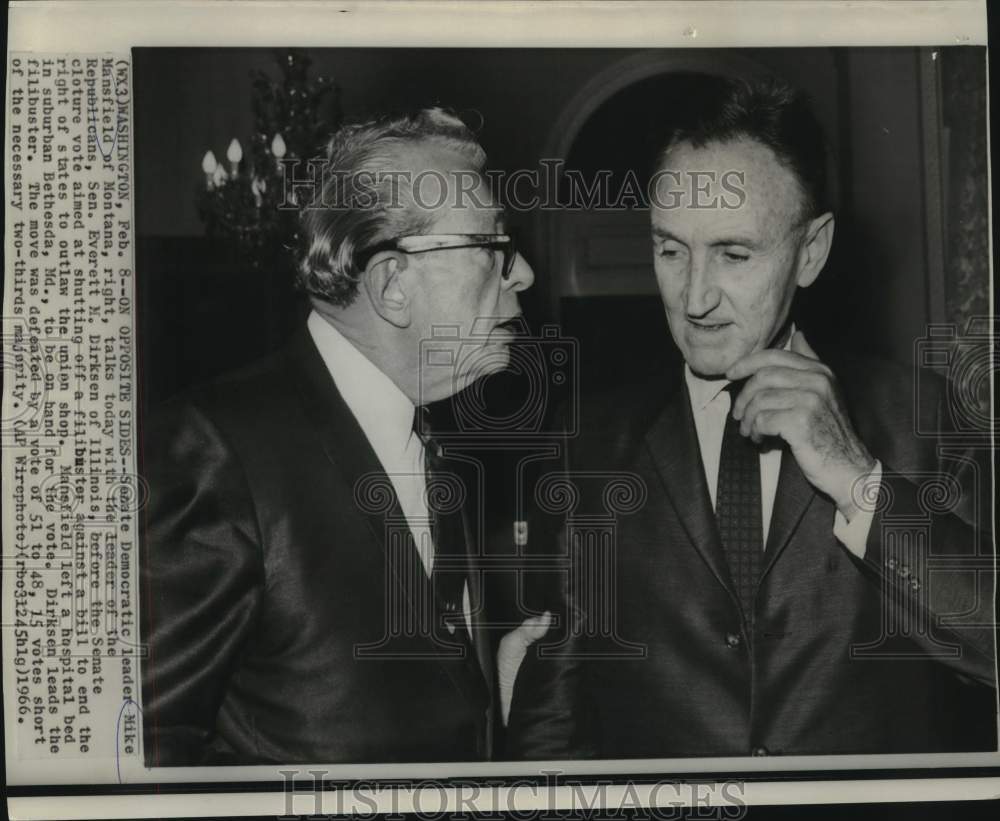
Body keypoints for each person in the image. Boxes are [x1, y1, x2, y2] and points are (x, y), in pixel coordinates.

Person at [507, 77, 996, 758]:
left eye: (734, 254)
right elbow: (550, 720)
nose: (695, 297)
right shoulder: (585, 441)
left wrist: (860, 481)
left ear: (812, 251)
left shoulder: (921, 415)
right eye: (671, 250)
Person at [141, 108, 536, 765]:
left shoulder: (444, 444)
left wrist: (491, 698)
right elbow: (138, 760)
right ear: (392, 285)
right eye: (494, 246)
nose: (521, 273)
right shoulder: (214, 452)